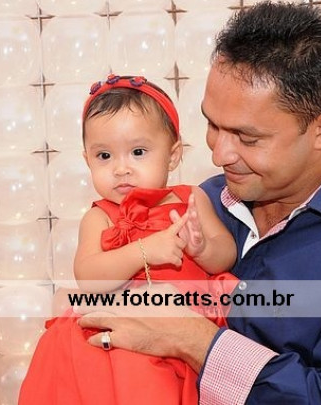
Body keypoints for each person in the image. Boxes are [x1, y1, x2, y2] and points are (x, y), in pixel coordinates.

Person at [78, 1, 321, 404]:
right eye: (212, 124)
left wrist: (196, 341)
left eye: (248, 138)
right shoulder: (202, 202)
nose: (219, 153)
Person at [18, 74, 238, 404]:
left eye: (138, 152)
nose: (121, 169)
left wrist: (203, 248)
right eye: (104, 156)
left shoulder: (192, 199)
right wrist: (144, 251)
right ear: (87, 159)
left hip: (187, 323)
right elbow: (89, 278)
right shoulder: (100, 216)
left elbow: (227, 254)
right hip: (122, 330)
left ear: (173, 155)